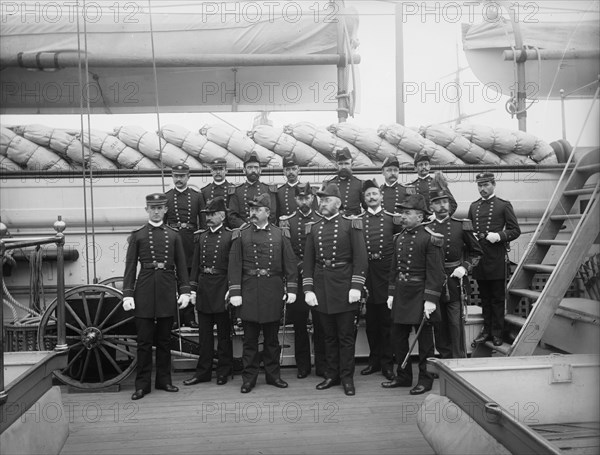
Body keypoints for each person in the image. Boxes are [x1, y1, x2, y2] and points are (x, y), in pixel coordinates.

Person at [123, 193, 191, 400]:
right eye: (152, 208)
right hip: (144, 290)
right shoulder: (138, 235)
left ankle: (164, 380)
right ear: (146, 210)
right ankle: (142, 385)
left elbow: (181, 265)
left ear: (165, 210)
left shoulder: (174, 235)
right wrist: (128, 293)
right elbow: (130, 267)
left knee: (164, 340)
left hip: (165, 290)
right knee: (144, 342)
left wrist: (185, 290)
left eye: (160, 207)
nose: (156, 211)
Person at [228, 193, 298, 393]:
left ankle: (273, 375)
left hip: (272, 291)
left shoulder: (280, 234)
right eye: (251, 209)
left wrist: (291, 288)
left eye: (257, 209)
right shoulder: (241, 234)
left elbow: (290, 264)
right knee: (249, 340)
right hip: (249, 290)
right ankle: (248, 378)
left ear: (267, 212)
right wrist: (235, 291)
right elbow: (235, 264)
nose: (253, 213)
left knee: (272, 340)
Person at [303, 183, 368, 396]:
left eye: (326, 199)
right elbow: (308, 262)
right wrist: (308, 289)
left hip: (344, 286)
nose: (322, 203)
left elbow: (360, 259)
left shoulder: (351, 225)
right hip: (322, 288)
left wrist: (356, 286)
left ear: (338, 203)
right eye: (321, 200)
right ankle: (332, 374)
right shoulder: (313, 227)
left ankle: (347, 378)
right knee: (328, 336)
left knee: (346, 337)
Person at [382, 194, 444, 395]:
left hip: (420, 295)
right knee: (398, 338)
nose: (402, 216)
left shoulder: (429, 238)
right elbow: (394, 269)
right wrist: (391, 293)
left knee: (425, 342)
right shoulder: (399, 237)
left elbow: (436, 272)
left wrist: (431, 299)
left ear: (420, 216)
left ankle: (426, 380)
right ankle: (403, 376)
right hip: (402, 293)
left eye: (407, 213)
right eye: (402, 212)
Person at [183, 197, 234, 386]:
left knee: (223, 335)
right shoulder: (201, 236)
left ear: (222, 215)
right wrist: (193, 290)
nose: (209, 218)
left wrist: (231, 290)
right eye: (207, 215)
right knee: (204, 336)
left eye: (212, 214)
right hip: (204, 288)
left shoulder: (230, 236)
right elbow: (195, 265)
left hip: (221, 288)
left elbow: (233, 267)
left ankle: (223, 370)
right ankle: (203, 372)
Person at [427, 189, 483, 358]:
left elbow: (477, 252)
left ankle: (458, 360)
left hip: (454, 282)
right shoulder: (426, 228)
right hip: (433, 282)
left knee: (455, 323)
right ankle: (444, 359)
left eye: (445, 202)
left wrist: (465, 267)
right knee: (438, 323)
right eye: (437, 202)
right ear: (431, 206)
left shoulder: (461, 225)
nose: (442, 206)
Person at [278, 182, 326, 379]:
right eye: (300, 198)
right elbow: (288, 251)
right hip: (297, 280)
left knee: (321, 324)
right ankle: (303, 365)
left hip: (318, 279)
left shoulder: (320, 219)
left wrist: (312, 270)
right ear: (295, 199)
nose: (304, 201)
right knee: (299, 325)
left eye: (307, 197)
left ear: (313, 198)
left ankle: (322, 365)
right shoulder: (287, 221)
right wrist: (301, 268)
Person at [468, 172, 521, 347]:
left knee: (497, 298)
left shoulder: (503, 205)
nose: (482, 189)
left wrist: (498, 236)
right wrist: (472, 236)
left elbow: (515, 230)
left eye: (486, 185)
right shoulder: (474, 206)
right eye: (479, 185)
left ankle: (498, 332)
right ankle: (487, 330)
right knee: (484, 298)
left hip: (496, 258)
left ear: (493, 184)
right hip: (480, 258)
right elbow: (468, 229)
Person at [358, 179, 401, 380]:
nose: (372, 197)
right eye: (368, 195)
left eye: (375, 194)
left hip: (387, 273)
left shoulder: (393, 219)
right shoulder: (358, 220)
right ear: (364, 199)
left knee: (387, 321)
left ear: (381, 196)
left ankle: (387, 363)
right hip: (368, 274)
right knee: (371, 322)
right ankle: (373, 361)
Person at [165, 163, 205, 328]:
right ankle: (174, 318)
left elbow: (202, 224)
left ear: (188, 177)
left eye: (182, 176)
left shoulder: (197, 197)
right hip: (173, 242)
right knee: (173, 280)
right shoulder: (166, 197)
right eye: (176, 176)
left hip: (190, 243)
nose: (179, 179)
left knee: (188, 279)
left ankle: (188, 317)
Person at [228, 152, 277, 228]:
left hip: (264, 231)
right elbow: (232, 215)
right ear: (244, 170)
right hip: (244, 233)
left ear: (260, 170)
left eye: (256, 167)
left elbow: (272, 214)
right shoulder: (237, 191)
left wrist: (261, 226)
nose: (253, 170)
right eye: (250, 167)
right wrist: (245, 227)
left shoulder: (268, 190)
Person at [322, 148, 364, 216]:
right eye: (340, 164)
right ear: (336, 165)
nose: (343, 167)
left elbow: (368, 208)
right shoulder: (329, 184)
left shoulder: (359, 184)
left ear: (352, 165)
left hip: (352, 222)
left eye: (346, 163)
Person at [276, 153, 318, 219]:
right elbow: (277, 214)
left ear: (299, 170)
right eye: (288, 169)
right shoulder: (279, 192)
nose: (291, 172)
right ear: (284, 171)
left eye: (294, 169)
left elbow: (315, 214)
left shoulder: (309, 190)